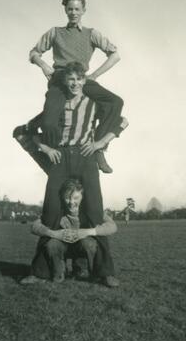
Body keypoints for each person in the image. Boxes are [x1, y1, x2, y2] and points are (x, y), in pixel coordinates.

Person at [14, 61, 120, 287]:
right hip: (60, 157)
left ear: (85, 81)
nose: (75, 83)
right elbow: (30, 130)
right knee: (51, 210)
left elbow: (121, 121)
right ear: (65, 81)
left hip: (85, 157)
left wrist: (99, 143)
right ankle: (39, 272)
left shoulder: (93, 102)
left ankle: (104, 272)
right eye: (71, 79)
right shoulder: (55, 105)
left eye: (79, 79)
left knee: (94, 210)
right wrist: (46, 148)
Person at [28, 0, 128, 173]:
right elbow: (34, 53)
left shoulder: (91, 34)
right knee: (49, 123)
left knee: (115, 102)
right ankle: (53, 156)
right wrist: (43, 65)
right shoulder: (55, 32)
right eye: (70, 9)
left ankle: (99, 149)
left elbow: (115, 55)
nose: (73, 12)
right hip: (59, 78)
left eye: (77, 9)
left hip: (81, 79)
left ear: (83, 11)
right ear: (65, 10)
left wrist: (95, 75)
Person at [20, 178, 118, 285]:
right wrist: (54, 234)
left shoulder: (90, 211)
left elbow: (112, 226)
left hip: (81, 246)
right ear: (62, 197)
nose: (71, 202)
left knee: (89, 243)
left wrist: (88, 232)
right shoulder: (57, 211)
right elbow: (34, 226)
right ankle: (58, 271)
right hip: (63, 245)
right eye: (67, 198)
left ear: (82, 197)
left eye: (76, 198)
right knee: (52, 244)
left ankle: (88, 271)